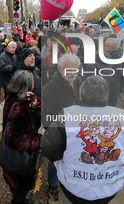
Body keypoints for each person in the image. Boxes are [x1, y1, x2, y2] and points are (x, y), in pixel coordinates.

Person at [41, 75, 124, 204]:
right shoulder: (120, 115)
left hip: (74, 188)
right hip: (107, 188)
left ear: (81, 94)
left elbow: (49, 150)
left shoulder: (67, 114)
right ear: (106, 96)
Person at [42, 53, 82, 201]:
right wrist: (55, 135)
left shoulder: (79, 81)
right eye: (68, 70)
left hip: (77, 131)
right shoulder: (51, 88)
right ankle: (52, 185)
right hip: (60, 133)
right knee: (55, 161)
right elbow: (47, 117)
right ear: (60, 69)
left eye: (75, 70)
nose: (72, 73)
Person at [2, 70, 42, 204]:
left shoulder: (14, 97)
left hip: (17, 159)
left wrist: (35, 104)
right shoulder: (19, 107)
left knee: (18, 189)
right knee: (19, 190)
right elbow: (13, 139)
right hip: (18, 159)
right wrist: (37, 141)